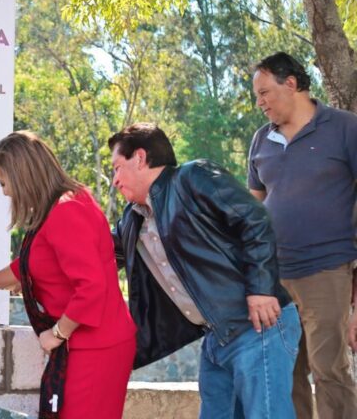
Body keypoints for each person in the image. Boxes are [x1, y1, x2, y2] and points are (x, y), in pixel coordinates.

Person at [110, 122, 299, 418]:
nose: (114, 180)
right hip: (216, 338)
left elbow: (255, 220)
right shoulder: (131, 221)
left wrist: (261, 288)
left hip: (258, 325)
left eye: (117, 168)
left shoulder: (193, 177)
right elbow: (96, 257)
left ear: (140, 158)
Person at [0, 131, 136, 418]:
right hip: (83, 346)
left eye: (3, 183)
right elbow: (31, 264)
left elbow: (91, 287)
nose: (4, 192)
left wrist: (56, 333)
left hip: (96, 347)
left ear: (22, 176)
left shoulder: (67, 211)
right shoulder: (60, 206)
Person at [249, 51, 357, 418]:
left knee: (330, 370)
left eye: (264, 92)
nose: (260, 103)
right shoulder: (261, 140)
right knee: (285, 374)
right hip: (274, 279)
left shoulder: (345, 128)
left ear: (291, 84)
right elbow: (253, 208)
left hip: (326, 270)